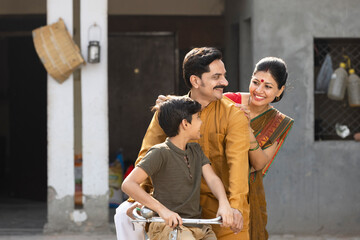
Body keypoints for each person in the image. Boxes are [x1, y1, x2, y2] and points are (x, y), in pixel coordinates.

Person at [115, 47, 250, 240]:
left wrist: (232, 206)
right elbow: (145, 157)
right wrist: (140, 199)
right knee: (124, 213)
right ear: (195, 81)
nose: (225, 82)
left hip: (217, 204)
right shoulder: (168, 110)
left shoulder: (233, 114)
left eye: (224, 76)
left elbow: (238, 166)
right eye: (217, 77)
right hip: (170, 203)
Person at [121, 96, 234, 240]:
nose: (201, 122)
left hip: (197, 226)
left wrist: (224, 203)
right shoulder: (160, 152)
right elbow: (128, 184)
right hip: (166, 226)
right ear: (185, 124)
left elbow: (212, 179)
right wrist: (163, 211)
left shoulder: (196, 150)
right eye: (198, 117)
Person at [223, 57, 294, 239]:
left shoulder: (278, 122)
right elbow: (197, 106)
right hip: (213, 181)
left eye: (268, 87)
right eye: (255, 82)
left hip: (246, 192)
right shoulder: (230, 101)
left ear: (280, 91)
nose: (259, 91)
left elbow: (259, 163)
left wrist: (246, 129)